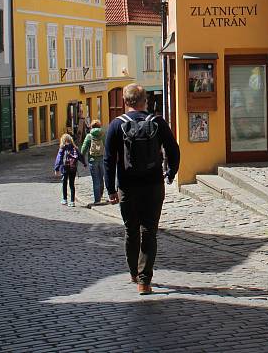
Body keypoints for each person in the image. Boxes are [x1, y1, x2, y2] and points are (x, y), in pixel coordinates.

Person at [104, 83, 180, 295]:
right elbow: (173, 149)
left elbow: (109, 160)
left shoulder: (116, 125)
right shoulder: (157, 122)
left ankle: (133, 273)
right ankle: (144, 281)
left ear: (125, 102)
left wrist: (110, 189)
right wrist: (171, 172)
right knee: (149, 231)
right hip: (153, 184)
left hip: (127, 186)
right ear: (145, 101)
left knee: (131, 231)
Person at [54, 134, 86, 207]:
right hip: (73, 168)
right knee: (72, 184)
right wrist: (84, 163)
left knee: (64, 183)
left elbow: (59, 158)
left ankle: (64, 199)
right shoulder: (75, 148)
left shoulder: (62, 148)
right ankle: (72, 201)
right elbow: (80, 156)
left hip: (65, 168)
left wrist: (56, 168)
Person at [80, 119, 107, 205]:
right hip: (102, 159)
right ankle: (101, 195)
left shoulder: (89, 136)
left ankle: (97, 200)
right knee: (101, 178)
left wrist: (82, 158)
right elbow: (107, 145)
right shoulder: (103, 135)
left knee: (95, 180)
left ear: (91, 126)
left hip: (92, 160)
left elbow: (83, 149)